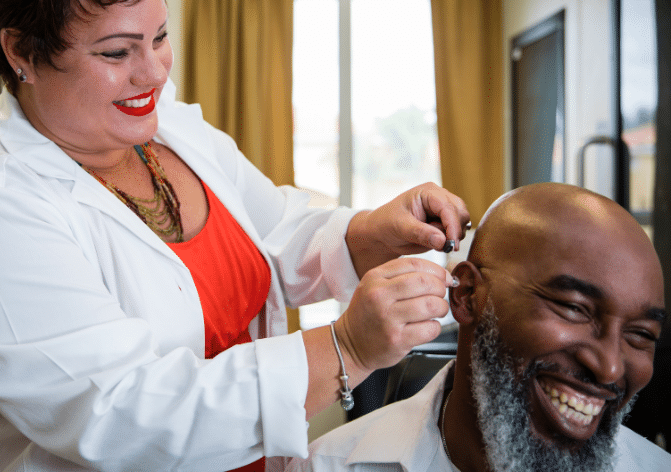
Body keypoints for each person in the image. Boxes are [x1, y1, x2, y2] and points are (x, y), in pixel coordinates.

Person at [0, 0, 471, 471]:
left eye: (161, 36)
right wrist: (345, 348)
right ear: (21, 51)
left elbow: (271, 231)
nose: (152, 73)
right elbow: (129, 420)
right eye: (116, 52)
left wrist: (369, 234)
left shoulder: (167, 128)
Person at [285, 182, 671, 472]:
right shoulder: (331, 466)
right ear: (467, 294)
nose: (610, 368)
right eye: (573, 308)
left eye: (641, 335)